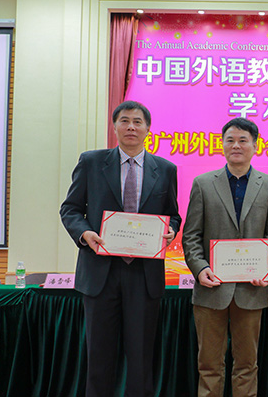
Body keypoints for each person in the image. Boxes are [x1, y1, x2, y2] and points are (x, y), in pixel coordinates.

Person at [60, 100, 181, 397]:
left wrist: (171, 230)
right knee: (99, 356)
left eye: (138, 122)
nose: (131, 127)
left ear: (148, 129)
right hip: (100, 272)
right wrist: (84, 233)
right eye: (124, 121)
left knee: (141, 357)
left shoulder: (165, 169)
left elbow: (173, 214)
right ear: (114, 126)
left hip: (144, 274)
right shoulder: (91, 162)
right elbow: (70, 209)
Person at [181, 117, 268, 397]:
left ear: (255, 146)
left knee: (247, 364)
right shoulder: (203, 184)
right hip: (210, 288)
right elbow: (191, 235)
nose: (236, 145)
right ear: (223, 145)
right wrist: (200, 269)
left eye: (243, 140)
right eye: (230, 140)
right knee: (209, 365)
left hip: (252, 288)